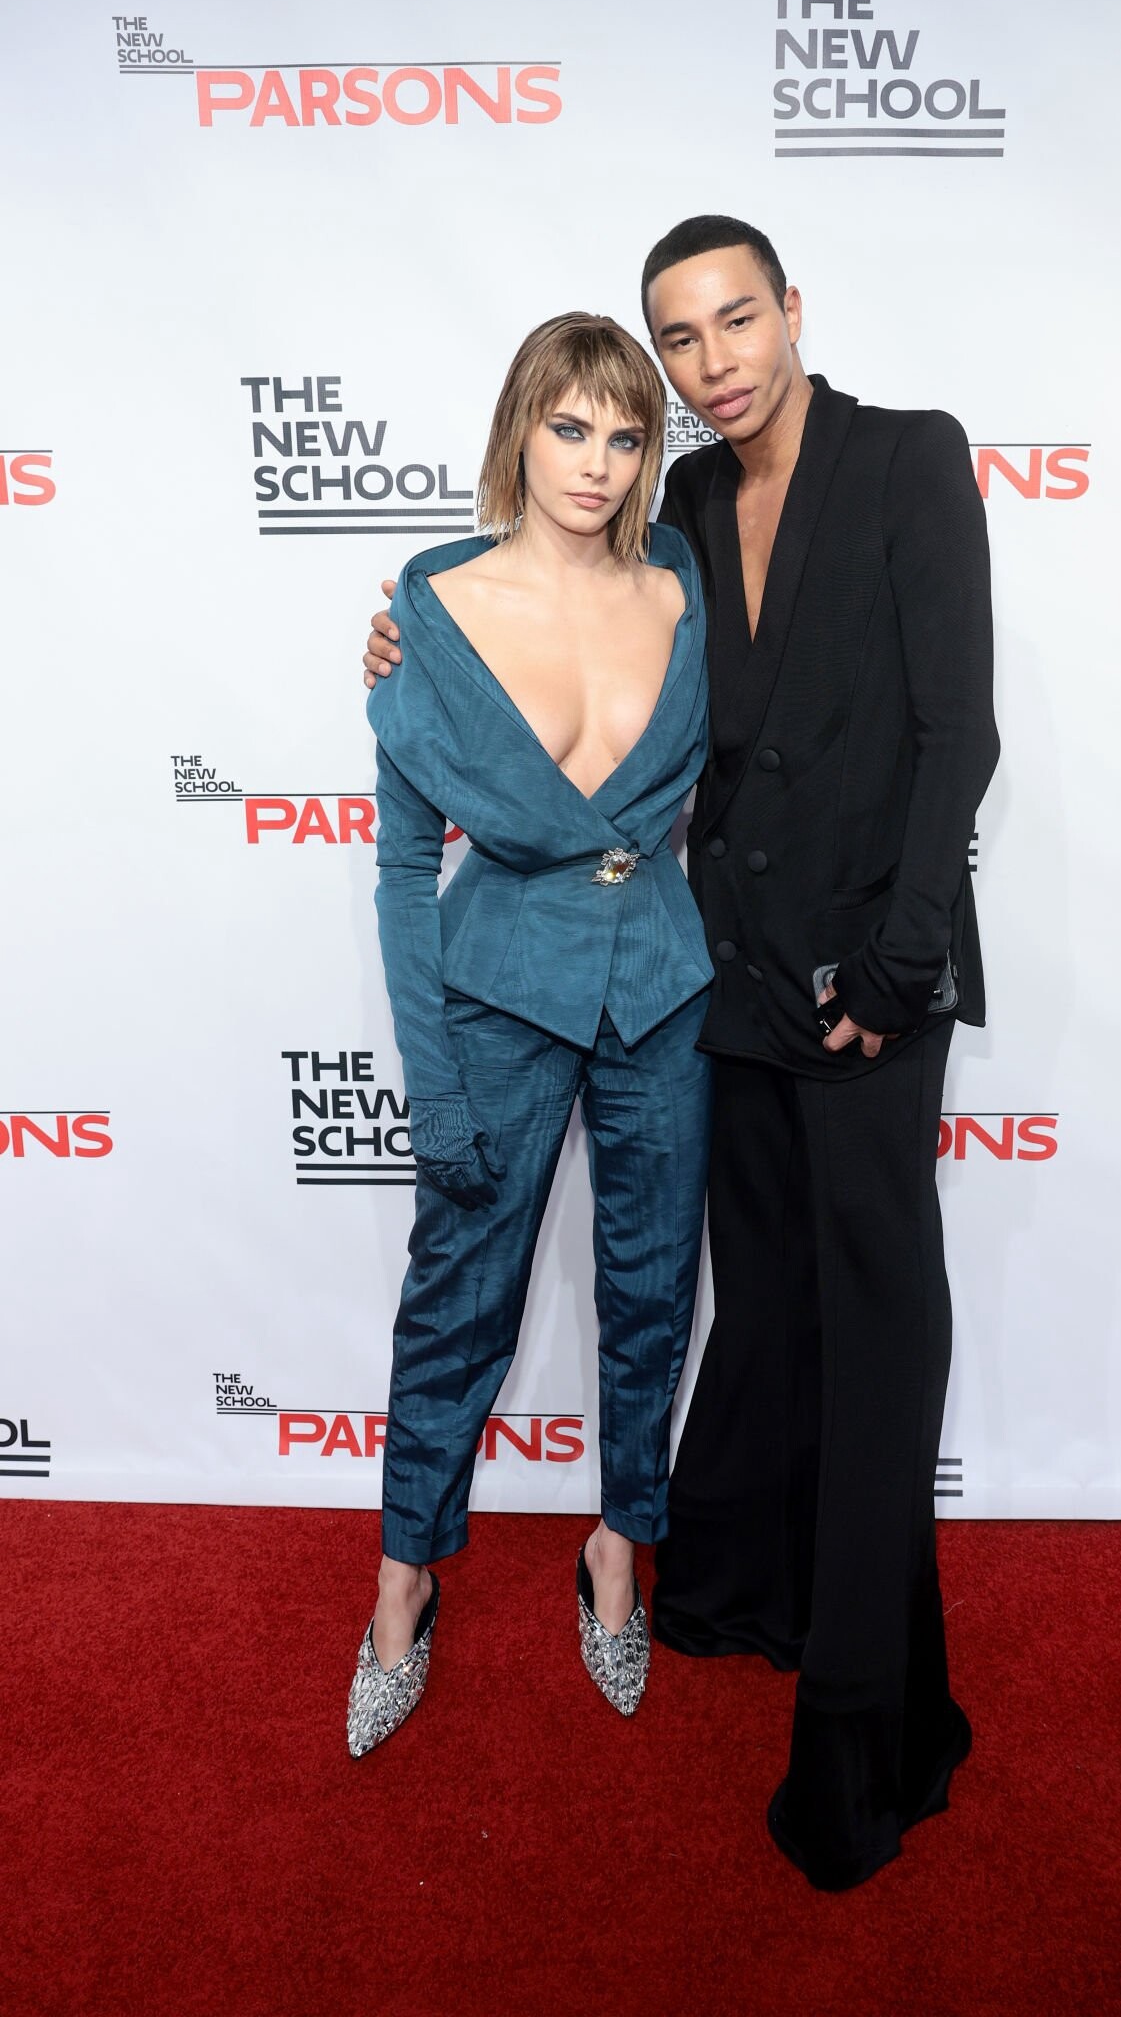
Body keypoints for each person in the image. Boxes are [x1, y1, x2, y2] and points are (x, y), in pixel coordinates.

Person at [364, 218, 999, 1893]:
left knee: (765, 1321)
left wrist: (903, 960)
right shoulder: (613, 537)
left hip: (780, 988)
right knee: (611, 1302)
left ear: (789, 312)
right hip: (622, 991)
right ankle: (557, 1584)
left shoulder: (830, 493)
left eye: (734, 324)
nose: (710, 365)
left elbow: (946, 729)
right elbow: (446, 808)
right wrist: (404, 638)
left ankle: (745, 1636)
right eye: (677, 345)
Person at [348, 312, 713, 1760]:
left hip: (666, 994)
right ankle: (401, 1585)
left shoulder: (683, 582)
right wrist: (431, 1084)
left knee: (652, 1292)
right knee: (459, 1299)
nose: (596, 463)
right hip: (498, 993)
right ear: (519, 428)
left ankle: (619, 1548)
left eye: (626, 435)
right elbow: (400, 868)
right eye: (569, 427)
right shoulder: (433, 606)